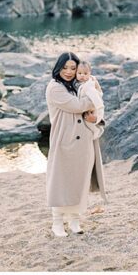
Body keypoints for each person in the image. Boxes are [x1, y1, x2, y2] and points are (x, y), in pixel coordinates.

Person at [44, 52, 102, 237]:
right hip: (64, 141)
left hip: (84, 142)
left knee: (80, 183)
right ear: (58, 67)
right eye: (65, 68)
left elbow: (94, 110)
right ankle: (57, 223)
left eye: (73, 68)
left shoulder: (77, 85)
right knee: (61, 183)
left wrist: (95, 118)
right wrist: (96, 92)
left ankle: (75, 220)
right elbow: (78, 106)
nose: (69, 72)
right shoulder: (55, 88)